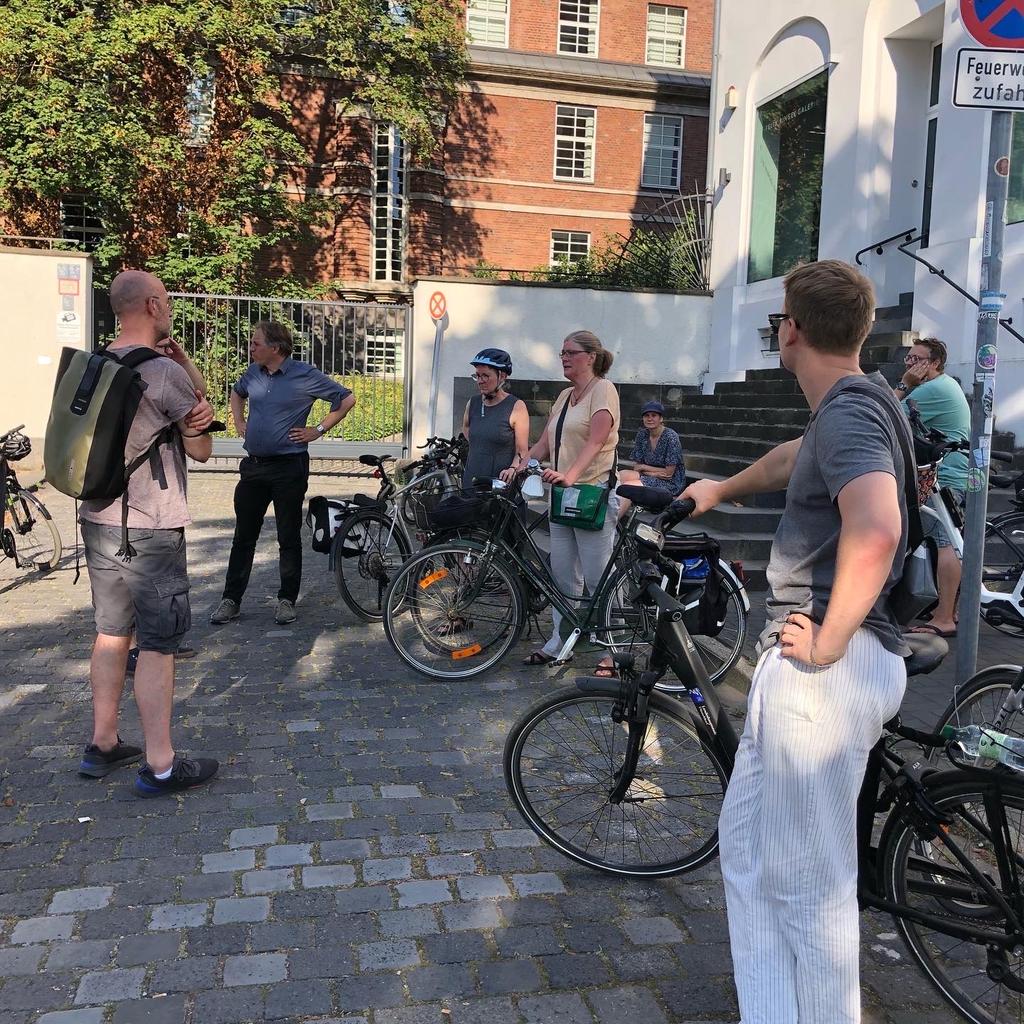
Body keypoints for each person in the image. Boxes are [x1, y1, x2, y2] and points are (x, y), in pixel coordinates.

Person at [680, 260, 909, 1023]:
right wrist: (719, 489)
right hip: (827, 667)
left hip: (826, 671)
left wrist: (828, 642)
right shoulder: (857, 402)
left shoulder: (849, 414)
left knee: (810, 885)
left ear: (792, 331)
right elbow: (794, 457)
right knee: (749, 852)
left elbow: (877, 527)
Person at [77, 269, 220, 797]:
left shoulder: (93, 365)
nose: (171, 308)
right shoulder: (161, 374)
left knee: (111, 632)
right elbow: (202, 449)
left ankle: (103, 742)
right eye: (167, 300)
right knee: (158, 645)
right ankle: (161, 765)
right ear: (154, 306)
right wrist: (187, 382)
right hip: (151, 529)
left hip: (98, 520)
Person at [210, 320, 356, 626]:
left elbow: (347, 399)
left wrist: (318, 430)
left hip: (289, 467)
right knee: (243, 537)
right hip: (253, 467)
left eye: (256, 343)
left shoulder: (304, 375)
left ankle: (287, 599)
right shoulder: (253, 372)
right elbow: (237, 394)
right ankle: (231, 600)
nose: (251, 347)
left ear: (275, 347)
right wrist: (239, 421)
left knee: (288, 536)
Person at [507, 330, 620, 675]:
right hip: (562, 493)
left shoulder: (604, 390)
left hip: (591, 494)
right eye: (562, 353)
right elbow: (544, 442)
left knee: (599, 576)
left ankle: (613, 649)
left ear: (591, 357)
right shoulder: (565, 396)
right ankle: (561, 641)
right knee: (562, 574)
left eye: (571, 352)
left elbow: (597, 441)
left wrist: (570, 474)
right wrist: (518, 466)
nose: (564, 358)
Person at [894, 338, 970, 638]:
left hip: (946, 475)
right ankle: (948, 609)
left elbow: (885, 413)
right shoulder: (943, 385)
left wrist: (904, 383)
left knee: (944, 541)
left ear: (935, 363)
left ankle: (944, 617)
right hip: (950, 473)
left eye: (917, 359)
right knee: (942, 539)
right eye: (908, 358)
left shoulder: (934, 389)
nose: (910, 363)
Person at [460, 348, 529, 488]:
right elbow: (467, 429)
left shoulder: (517, 407)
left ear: (502, 376)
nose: (480, 381)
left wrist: (513, 469)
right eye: (477, 376)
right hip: (471, 482)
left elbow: (522, 451)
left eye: (485, 376)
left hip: (499, 487)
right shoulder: (472, 403)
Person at [623, 400, 686, 492]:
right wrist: (654, 474)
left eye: (654, 415)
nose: (649, 419)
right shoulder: (642, 435)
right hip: (649, 476)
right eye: (646, 415)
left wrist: (644, 467)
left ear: (661, 418)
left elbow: (668, 474)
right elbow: (637, 467)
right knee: (622, 475)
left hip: (670, 482)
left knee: (628, 486)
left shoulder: (671, 437)